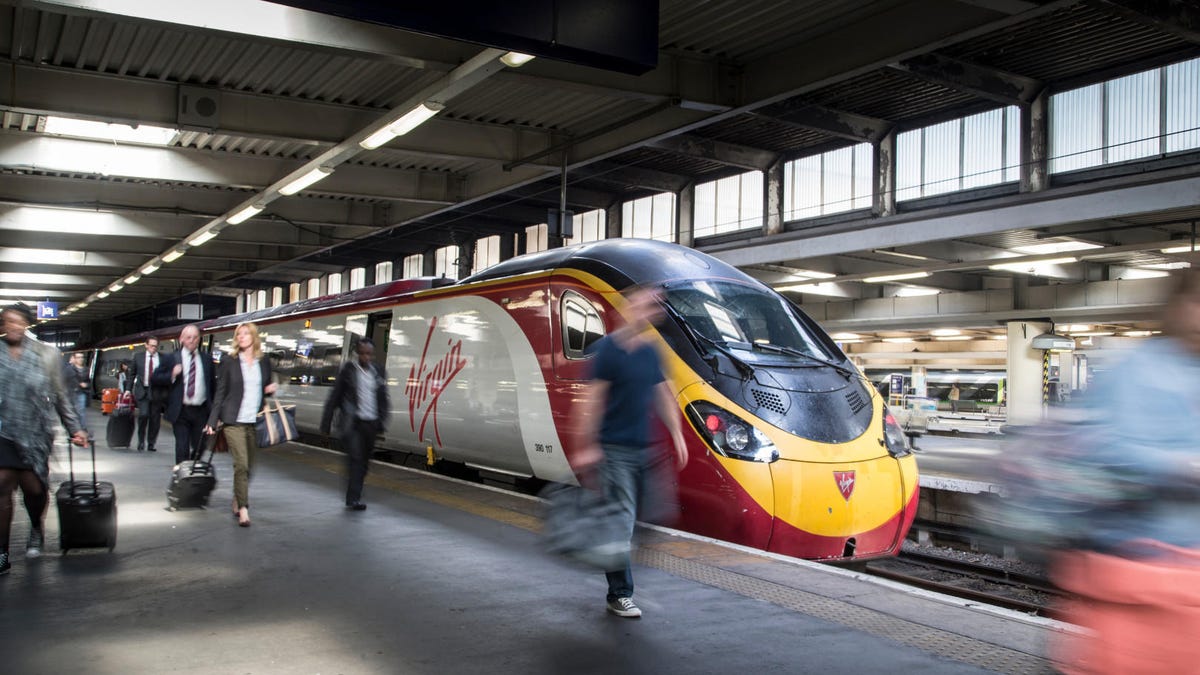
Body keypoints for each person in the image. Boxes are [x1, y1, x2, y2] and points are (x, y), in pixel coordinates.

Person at [1040, 268, 1200, 673]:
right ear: (1177, 306)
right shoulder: (1138, 370)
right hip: (1138, 580)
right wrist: (1178, 466)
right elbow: (1096, 451)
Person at [574, 285, 688, 619]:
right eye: (643, 304)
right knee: (622, 522)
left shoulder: (651, 352)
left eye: (654, 307)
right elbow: (593, 401)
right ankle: (619, 594)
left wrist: (677, 434)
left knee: (648, 518)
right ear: (626, 309)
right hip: (614, 450)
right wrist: (587, 445)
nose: (650, 311)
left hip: (645, 451)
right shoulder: (607, 350)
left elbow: (662, 395)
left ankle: (605, 552)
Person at [0, 303, 88, 574]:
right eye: (7, 322)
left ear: (26, 325)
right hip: (4, 432)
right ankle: (1, 552)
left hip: (36, 434)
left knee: (34, 490)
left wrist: (75, 428)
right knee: (2, 486)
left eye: (17, 322)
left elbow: (61, 396)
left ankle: (36, 526)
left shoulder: (45, 355)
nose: (12, 326)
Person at [205, 323, 275, 528]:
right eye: (239, 334)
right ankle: (243, 509)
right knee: (241, 464)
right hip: (233, 420)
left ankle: (238, 495)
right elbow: (220, 392)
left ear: (254, 336)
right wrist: (212, 420)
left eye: (246, 333)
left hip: (254, 420)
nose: (242, 337)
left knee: (251, 466)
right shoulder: (229, 361)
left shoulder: (264, 361)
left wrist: (269, 389)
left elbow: (264, 388)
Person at [320, 338, 390, 510]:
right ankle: (353, 498)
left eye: (369, 354)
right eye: (363, 353)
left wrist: (382, 421)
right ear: (357, 353)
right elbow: (335, 396)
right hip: (353, 424)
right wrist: (326, 424)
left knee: (364, 462)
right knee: (356, 460)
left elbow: (383, 398)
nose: (366, 357)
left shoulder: (378, 372)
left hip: (371, 424)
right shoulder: (348, 371)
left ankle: (355, 493)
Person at [152, 325, 216, 464]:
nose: (192, 340)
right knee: (182, 446)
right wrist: (172, 374)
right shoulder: (172, 358)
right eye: (188, 337)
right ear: (181, 339)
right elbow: (155, 378)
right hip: (181, 410)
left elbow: (212, 386)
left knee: (201, 445)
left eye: (195, 337)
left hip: (201, 411)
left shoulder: (206, 360)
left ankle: (190, 467)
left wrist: (215, 413)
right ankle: (182, 476)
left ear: (199, 339)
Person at [131, 336, 166, 452]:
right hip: (143, 391)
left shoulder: (162, 358)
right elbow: (132, 374)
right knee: (144, 415)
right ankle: (141, 441)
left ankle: (151, 443)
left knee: (155, 419)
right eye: (151, 345)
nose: (154, 348)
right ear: (146, 345)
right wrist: (127, 390)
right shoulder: (138, 357)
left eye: (156, 346)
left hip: (156, 392)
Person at [64, 351, 91, 431]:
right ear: (74, 359)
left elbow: (89, 382)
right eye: (78, 357)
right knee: (71, 411)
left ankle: (82, 429)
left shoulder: (86, 370)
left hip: (81, 393)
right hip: (70, 393)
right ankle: (71, 429)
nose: (81, 359)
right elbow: (64, 380)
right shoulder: (69, 369)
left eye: (82, 357)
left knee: (81, 412)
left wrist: (86, 385)